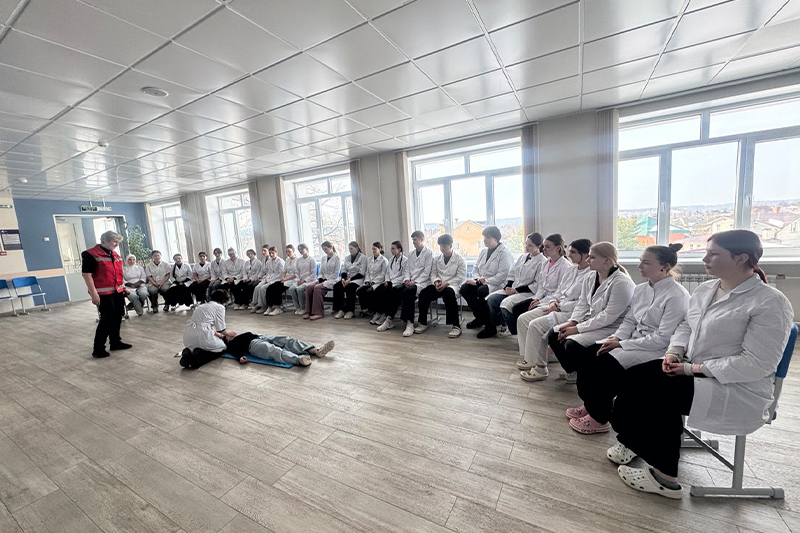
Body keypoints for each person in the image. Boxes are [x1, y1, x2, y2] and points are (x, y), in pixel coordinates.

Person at [609, 230, 793, 499]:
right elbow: (686, 326)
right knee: (633, 377)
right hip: (696, 370)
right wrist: (674, 352)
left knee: (658, 391)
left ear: (741, 258)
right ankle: (636, 441)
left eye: (713, 254)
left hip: (737, 387)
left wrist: (691, 369)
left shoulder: (770, 302)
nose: (704, 259)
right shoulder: (707, 289)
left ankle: (665, 477)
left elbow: (756, 364)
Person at [565, 244, 690, 435]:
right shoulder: (641, 289)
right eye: (640, 261)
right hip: (632, 340)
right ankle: (592, 404)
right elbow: (630, 320)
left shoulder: (677, 296)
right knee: (589, 355)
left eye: (646, 263)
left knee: (604, 365)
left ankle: (599, 417)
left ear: (664, 267)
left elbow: (662, 338)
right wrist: (615, 337)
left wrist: (621, 344)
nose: (639, 266)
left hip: (655, 349)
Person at [546, 242, 635, 385]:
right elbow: (583, 303)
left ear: (607, 261)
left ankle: (586, 378)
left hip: (612, 326)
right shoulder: (591, 277)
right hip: (594, 321)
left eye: (592, 257)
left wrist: (576, 329)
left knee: (572, 345)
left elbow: (608, 316)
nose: (588, 260)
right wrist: (572, 322)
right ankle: (573, 371)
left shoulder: (622, 283)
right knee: (554, 334)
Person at [518, 239, 592, 381]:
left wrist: (558, 306)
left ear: (584, 254)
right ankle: (532, 359)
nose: (569, 255)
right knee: (524, 319)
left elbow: (583, 303)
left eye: (573, 252)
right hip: (557, 306)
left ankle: (540, 368)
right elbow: (559, 291)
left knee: (536, 326)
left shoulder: (590, 275)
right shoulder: (572, 270)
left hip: (571, 313)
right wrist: (553, 302)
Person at [81, 230, 131, 358]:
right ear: (104, 241)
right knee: (106, 320)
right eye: (114, 242)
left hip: (117, 291)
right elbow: (87, 275)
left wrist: (123, 287)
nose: (116, 244)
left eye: (118, 242)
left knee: (118, 317)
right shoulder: (91, 254)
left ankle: (115, 342)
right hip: (103, 293)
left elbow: (117, 274)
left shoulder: (114, 254)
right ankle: (98, 348)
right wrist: (93, 294)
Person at [486, 233, 546, 338]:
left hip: (527, 292)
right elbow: (513, 273)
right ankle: (501, 323)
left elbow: (537, 284)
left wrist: (516, 290)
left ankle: (513, 330)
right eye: (525, 244)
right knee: (492, 299)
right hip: (513, 288)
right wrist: (508, 286)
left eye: (530, 245)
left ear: (539, 246)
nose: (526, 247)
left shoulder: (542, 262)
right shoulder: (523, 257)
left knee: (506, 304)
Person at [461, 225, 514, 339]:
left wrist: (481, 282)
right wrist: (476, 279)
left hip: (497, 284)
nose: (485, 240)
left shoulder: (505, 254)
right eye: (484, 237)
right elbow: (476, 268)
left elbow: (502, 276)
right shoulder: (483, 251)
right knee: (464, 288)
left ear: (496, 238)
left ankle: (490, 327)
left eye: (488, 237)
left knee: (482, 291)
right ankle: (480, 318)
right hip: (481, 282)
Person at [415, 234, 467, 338]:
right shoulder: (436, 259)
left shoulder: (460, 259)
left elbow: (460, 277)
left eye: (444, 246)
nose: (442, 248)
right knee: (424, 293)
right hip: (438, 285)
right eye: (440, 246)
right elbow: (433, 273)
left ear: (451, 245)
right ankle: (423, 322)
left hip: (452, 286)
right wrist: (436, 282)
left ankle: (456, 325)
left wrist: (446, 283)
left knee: (448, 294)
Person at [179, 289, 232, 368]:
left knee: (203, 344)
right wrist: (230, 333)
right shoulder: (220, 307)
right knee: (222, 348)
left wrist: (217, 334)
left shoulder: (202, 306)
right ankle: (197, 359)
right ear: (224, 300)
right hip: (201, 336)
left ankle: (188, 354)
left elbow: (206, 325)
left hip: (188, 336)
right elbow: (221, 329)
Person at [396, 230, 434, 337]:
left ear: (422, 239)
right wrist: (407, 279)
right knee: (395, 290)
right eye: (412, 240)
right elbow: (407, 269)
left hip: (422, 282)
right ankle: (389, 318)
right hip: (411, 281)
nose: (413, 242)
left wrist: (415, 282)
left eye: (415, 240)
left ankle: (410, 322)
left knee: (408, 292)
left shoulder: (429, 253)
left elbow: (427, 271)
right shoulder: (411, 254)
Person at [223, 331, 335, 367]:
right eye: (227, 335)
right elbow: (234, 352)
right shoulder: (231, 344)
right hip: (252, 345)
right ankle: (298, 359)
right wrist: (240, 357)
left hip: (261, 337)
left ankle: (315, 351)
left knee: (287, 340)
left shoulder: (238, 336)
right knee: (273, 350)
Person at [304, 241, 341, 321]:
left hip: (332, 280)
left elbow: (336, 274)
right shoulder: (323, 258)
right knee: (309, 287)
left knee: (317, 288)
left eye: (325, 249)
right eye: (323, 249)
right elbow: (320, 271)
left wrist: (326, 280)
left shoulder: (337, 258)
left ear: (331, 248)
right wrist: (320, 278)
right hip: (323, 279)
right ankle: (308, 311)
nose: (324, 251)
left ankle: (318, 312)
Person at [376, 241, 407, 331]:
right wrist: (387, 280)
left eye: (393, 248)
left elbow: (404, 275)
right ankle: (381, 313)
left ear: (399, 249)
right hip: (390, 282)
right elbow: (387, 272)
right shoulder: (391, 260)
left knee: (388, 293)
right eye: (391, 248)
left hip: (398, 283)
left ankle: (388, 317)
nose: (391, 250)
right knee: (378, 291)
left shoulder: (405, 260)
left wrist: (392, 282)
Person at [333, 241, 368, 319]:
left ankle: (350, 311)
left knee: (350, 288)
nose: (350, 250)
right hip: (347, 278)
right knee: (337, 286)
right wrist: (343, 279)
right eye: (349, 248)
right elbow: (344, 269)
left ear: (357, 248)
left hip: (358, 279)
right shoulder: (347, 258)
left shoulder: (363, 258)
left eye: (351, 248)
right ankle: (341, 309)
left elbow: (361, 273)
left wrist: (349, 280)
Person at [358, 242, 389, 321]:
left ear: (380, 249)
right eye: (372, 249)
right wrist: (367, 280)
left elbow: (383, 274)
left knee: (370, 291)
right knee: (360, 290)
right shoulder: (369, 259)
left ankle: (374, 310)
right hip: (369, 281)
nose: (373, 251)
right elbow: (367, 272)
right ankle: (365, 309)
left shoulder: (384, 260)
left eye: (375, 249)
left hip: (378, 282)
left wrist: (373, 282)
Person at [265, 244, 299, 316]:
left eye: (289, 251)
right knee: (270, 288)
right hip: (286, 279)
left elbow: (296, 274)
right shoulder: (287, 260)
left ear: (293, 251)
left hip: (294, 279)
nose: (288, 253)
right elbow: (283, 271)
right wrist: (282, 278)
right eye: (286, 252)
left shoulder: (297, 260)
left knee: (277, 289)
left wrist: (286, 279)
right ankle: (270, 307)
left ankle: (278, 308)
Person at [287, 243, 316, 315]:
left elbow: (313, 274)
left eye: (302, 249)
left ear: (306, 249)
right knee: (291, 289)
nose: (300, 251)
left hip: (309, 280)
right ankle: (297, 307)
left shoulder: (312, 259)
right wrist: (299, 280)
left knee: (299, 289)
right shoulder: (299, 260)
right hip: (300, 280)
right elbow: (297, 272)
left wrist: (304, 280)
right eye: (299, 249)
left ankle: (303, 308)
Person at [256, 246, 285, 315]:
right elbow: (269, 272)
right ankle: (265, 306)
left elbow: (281, 273)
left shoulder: (280, 261)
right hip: (270, 279)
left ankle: (267, 306)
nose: (271, 255)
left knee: (264, 288)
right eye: (270, 253)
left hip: (277, 279)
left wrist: (270, 279)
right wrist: (267, 278)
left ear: (276, 253)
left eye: (273, 253)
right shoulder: (269, 262)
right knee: (258, 287)